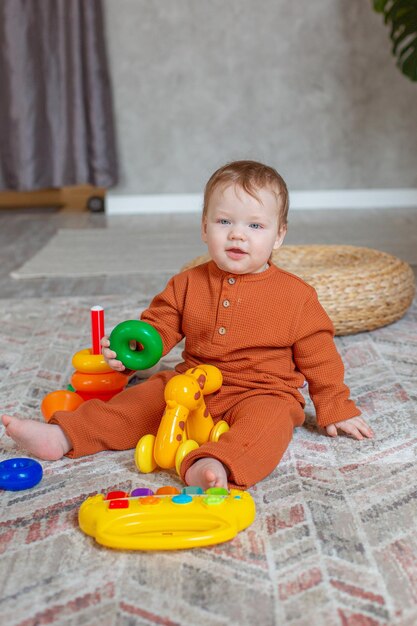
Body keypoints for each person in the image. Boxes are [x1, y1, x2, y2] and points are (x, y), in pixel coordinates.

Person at [1, 160, 373, 491]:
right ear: (204, 227)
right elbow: (158, 327)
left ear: (278, 235)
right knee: (136, 402)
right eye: (224, 221)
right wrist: (132, 356)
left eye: (255, 225)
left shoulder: (297, 297)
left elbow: (320, 358)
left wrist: (336, 406)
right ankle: (64, 435)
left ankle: (214, 463)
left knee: (269, 427)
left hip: (263, 391)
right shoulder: (188, 282)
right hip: (191, 382)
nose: (237, 234)